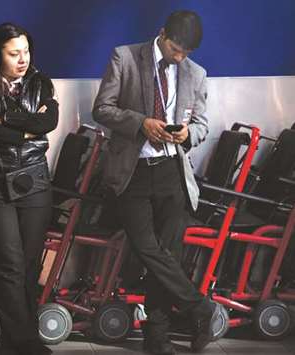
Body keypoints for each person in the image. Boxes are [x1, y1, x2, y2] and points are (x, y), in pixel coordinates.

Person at [92, 10, 216, 355]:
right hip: (133, 171)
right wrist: (140, 123)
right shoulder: (126, 57)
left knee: (168, 255)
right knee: (148, 248)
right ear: (162, 34)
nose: (180, 57)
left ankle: (157, 339)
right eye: (176, 49)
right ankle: (201, 308)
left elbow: (204, 125)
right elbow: (101, 109)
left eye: (186, 53)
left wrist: (190, 133)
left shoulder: (196, 74)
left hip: (172, 172)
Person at [0, 23, 58, 355]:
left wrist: (5, 120)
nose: (22, 59)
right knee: (10, 262)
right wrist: (25, 131)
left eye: (26, 52)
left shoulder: (41, 82)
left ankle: (21, 339)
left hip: (34, 178)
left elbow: (48, 123)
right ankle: (21, 342)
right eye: (13, 53)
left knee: (31, 264)